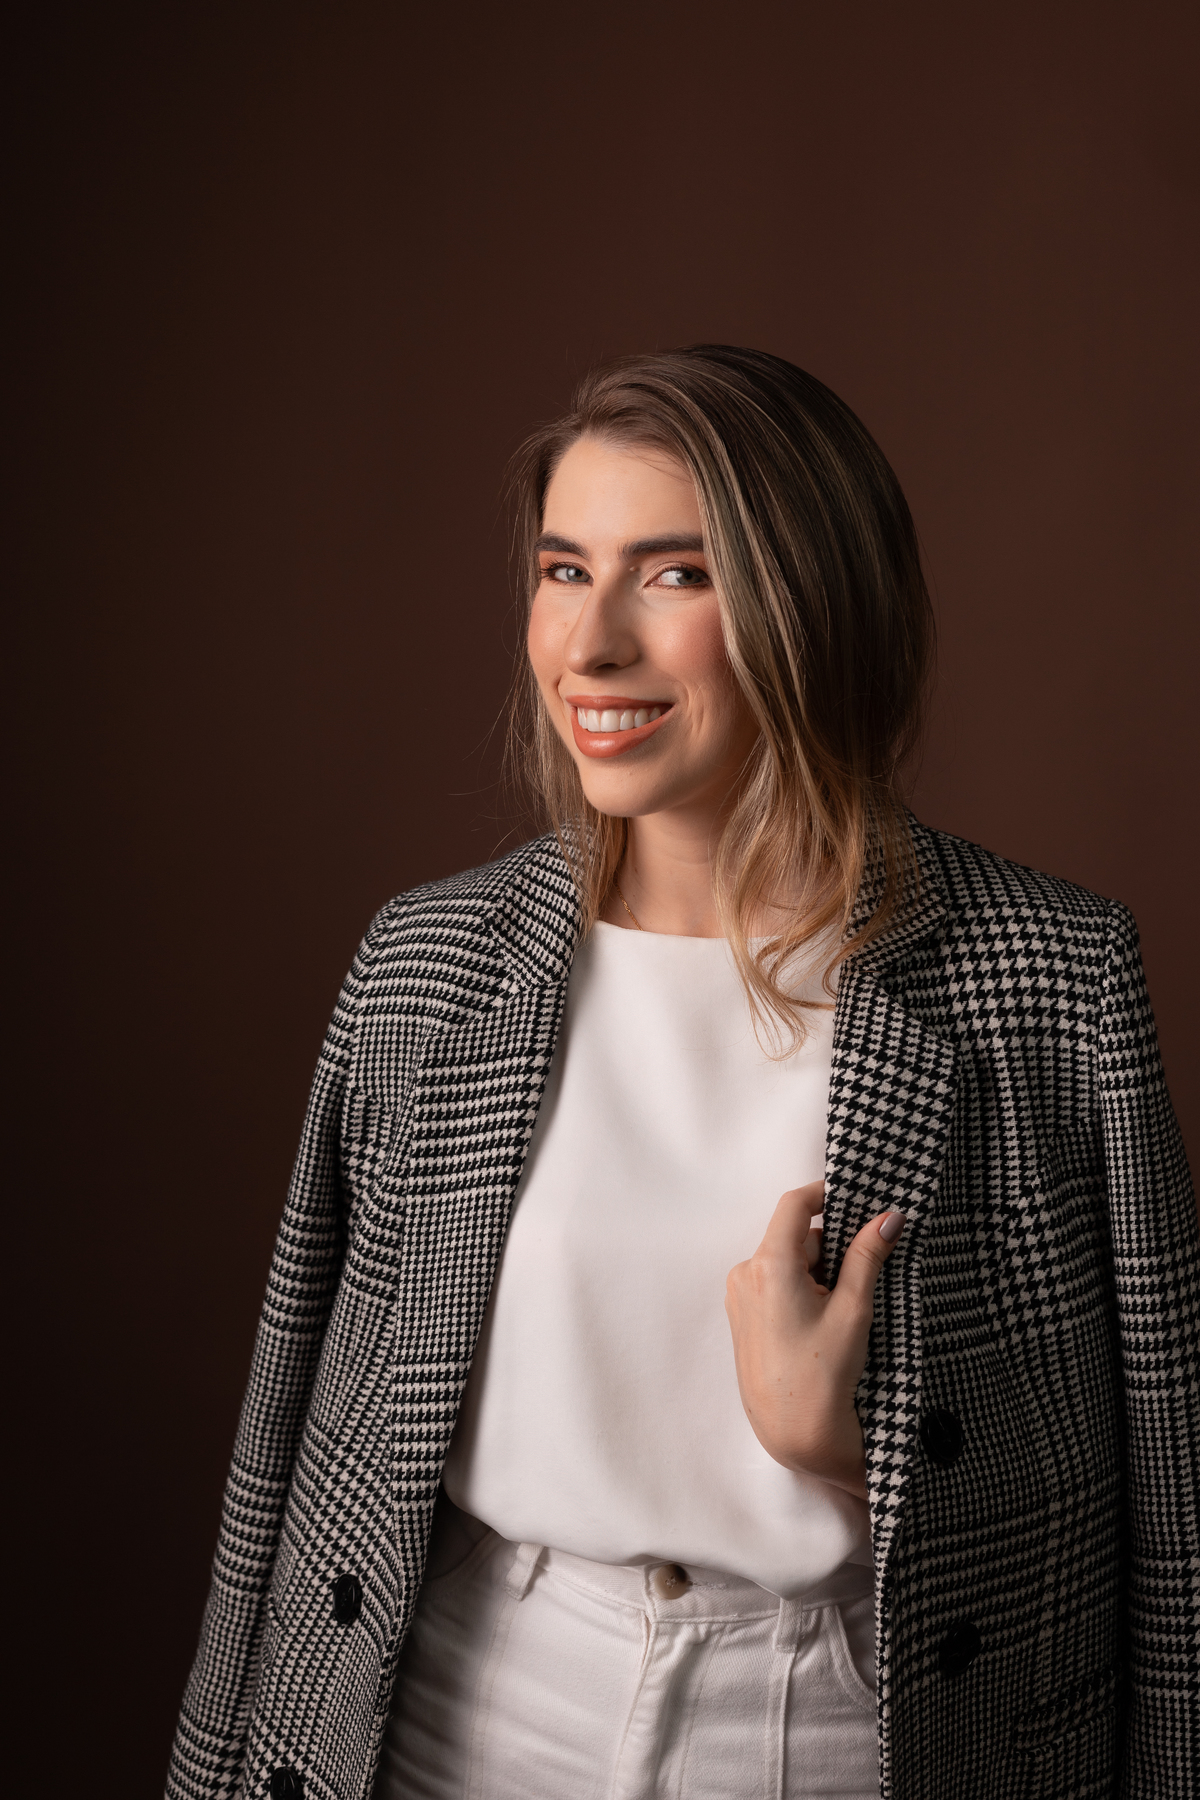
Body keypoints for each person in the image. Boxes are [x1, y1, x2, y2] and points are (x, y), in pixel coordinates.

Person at [166, 347, 1198, 1800]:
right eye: (562, 570)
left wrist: (845, 1448)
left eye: (673, 575)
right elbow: (292, 1456)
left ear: (811, 604)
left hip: (830, 1722)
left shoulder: (1049, 984)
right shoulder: (426, 964)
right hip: (454, 1704)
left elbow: (1159, 1528)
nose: (589, 645)